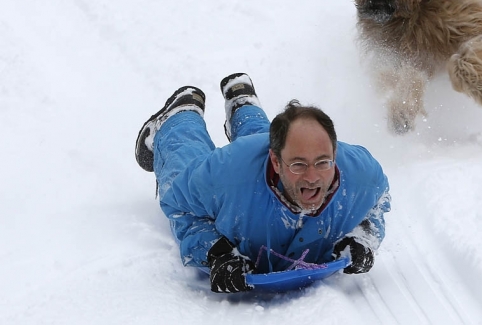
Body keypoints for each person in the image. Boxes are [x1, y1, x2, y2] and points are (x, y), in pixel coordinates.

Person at [134, 73, 391, 293]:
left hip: (264, 152)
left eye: (323, 162)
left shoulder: (362, 176)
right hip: (241, 167)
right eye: (299, 165)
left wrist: (363, 237)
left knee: (273, 138)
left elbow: (378, 203)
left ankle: (242, 101)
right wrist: (214, 252)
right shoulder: (228, 174)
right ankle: (180, 117)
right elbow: (179, 205)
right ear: (276, 163)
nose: (313, 177)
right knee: (184, 167)